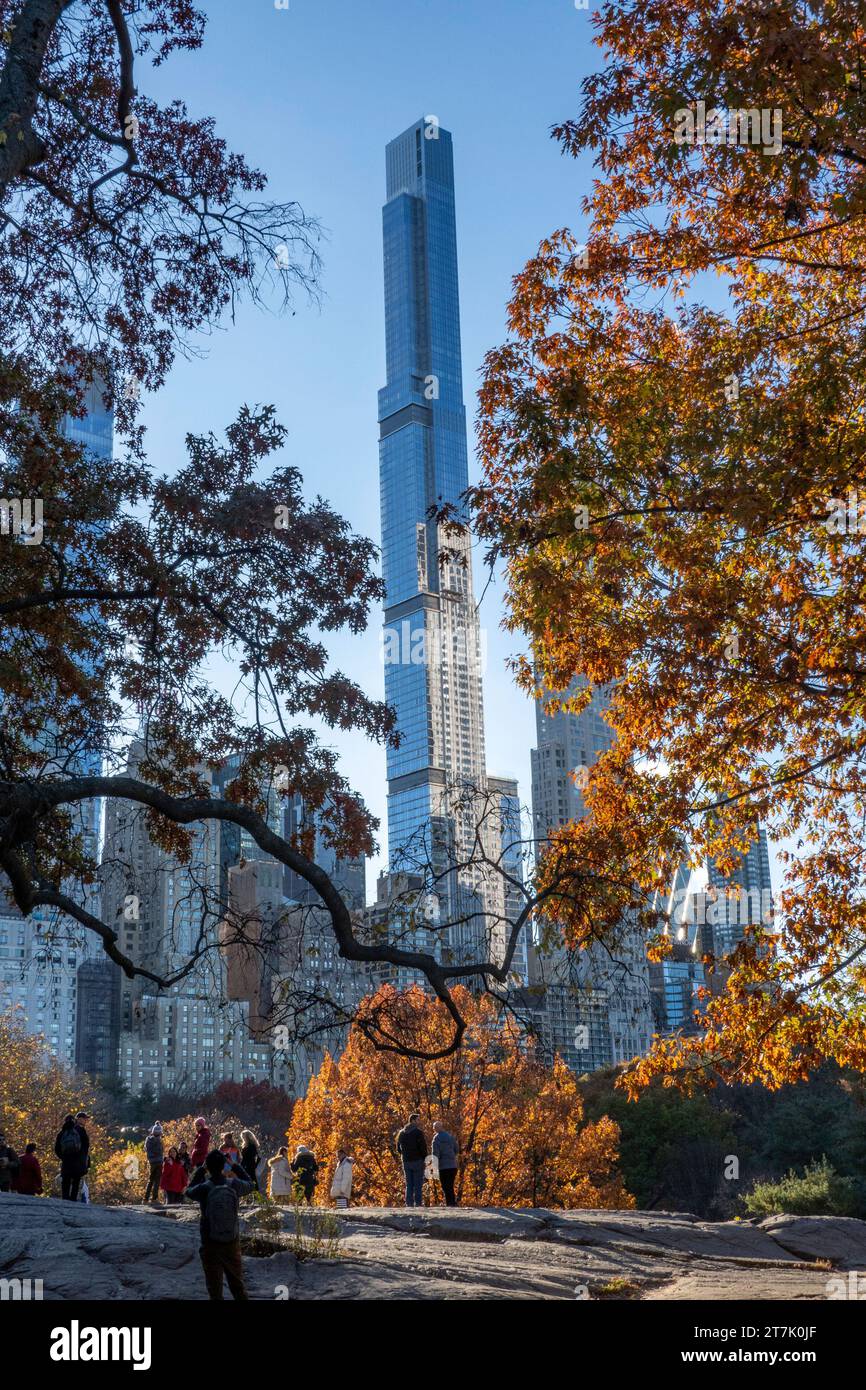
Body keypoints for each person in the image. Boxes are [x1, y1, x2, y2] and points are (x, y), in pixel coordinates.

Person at [185, 1149, 252, 1300]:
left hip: (210, 1243)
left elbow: (188, 1191)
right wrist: (234, 1165)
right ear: (223, 1166)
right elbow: (250, 1184)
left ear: (208, 1166)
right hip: (231, 1241)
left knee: (215, 1290)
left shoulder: (204, 1188)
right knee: (238, 1287)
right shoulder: (233, 1184)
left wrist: (201, 1170)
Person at [395, 1113, 428, 1208]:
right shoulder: (418, 1132)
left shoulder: (402, 1133)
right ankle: (418, 1204)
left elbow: (398, 1148)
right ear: (413, 1120)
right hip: (417, 1160)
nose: (419, 1122)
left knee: (409, 1184)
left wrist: (404, 1155)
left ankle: (408, 1204)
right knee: (418, 1184)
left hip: (406, 1161)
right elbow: (423, 1147)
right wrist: (424, 1158)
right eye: (417, 1120)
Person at [54, 1114, 89, 1201]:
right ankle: (73, 1200)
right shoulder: (80, 1131)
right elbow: (85, 1146)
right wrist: (83, 1158)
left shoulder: (62, 1133)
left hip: (66, 1162)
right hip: (78, 1162)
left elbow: (57, 1148)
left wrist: (63, 1157)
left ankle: (65, 1199)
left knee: (66, 1181)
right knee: (76, 1182)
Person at [431, 1120, 459, 1207]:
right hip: (453, 1166)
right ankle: (452, 1202)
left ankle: (450, 1203)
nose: (434, 1129)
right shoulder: (450, 1137)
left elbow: (436, 1154)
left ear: (436, 1128)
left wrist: (434, 1166)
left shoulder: (436, 1139)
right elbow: (456, 1149)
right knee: (450, 1185)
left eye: (434, 1128)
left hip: (443, 1166)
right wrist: (451, 1157)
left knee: (445, 1186)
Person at [144, 1123, 164, 1204]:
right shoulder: (158, 1140)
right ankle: (154, 1198)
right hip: (158, 1162)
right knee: (157, 1181)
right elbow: (160, 1151)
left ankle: (145, 1198)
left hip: (151, 1162)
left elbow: (146, 1149)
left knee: (150, 1180)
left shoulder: (148, 1140)